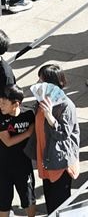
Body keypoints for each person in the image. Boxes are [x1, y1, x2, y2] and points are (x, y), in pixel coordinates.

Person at [28, 65, 78, 214]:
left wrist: (50, 117)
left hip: (60, 162)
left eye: (41, 80)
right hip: (46, 159)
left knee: (59, 205)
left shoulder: (66, 106)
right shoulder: (42, 101)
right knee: (50, 202)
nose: (38, 84)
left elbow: (63, 134)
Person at [0, 84, 36, 217]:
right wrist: (27, 133)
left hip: (23, 166)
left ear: (16, 104)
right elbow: (8, 141)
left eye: (4, 103)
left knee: (29, 198)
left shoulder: (28, 114)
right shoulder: (1, 117)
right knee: (3, 202)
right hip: (3, 167)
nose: (1, 106)